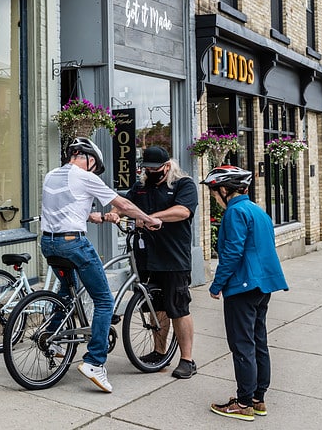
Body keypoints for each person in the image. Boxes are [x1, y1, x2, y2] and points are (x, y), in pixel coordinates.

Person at [40, 136, 164, 394]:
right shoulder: (84, 176)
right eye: (95, 167)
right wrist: (148, 219)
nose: (94, 171)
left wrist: (92, 216)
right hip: (74, 244)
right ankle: (95, 362)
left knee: (66, 292)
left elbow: (62, 208)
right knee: (105, 300)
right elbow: (124, 204)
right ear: (90, 159)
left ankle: (51, 339)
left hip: (49, 244)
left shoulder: (52, 174)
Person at [202, 165, 289, 422]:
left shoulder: (235, 212)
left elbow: (232, 252)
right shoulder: (258, 211)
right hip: (263, 286)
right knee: (257, 341)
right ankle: (257, 398)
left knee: (241, 344)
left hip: (243, 286)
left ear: (226, 190)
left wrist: (217, 284)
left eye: (214, 192)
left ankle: (242, 403)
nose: (214, 197)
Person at [111, 145, 199, 379]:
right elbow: (123, 204)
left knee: (178, 308)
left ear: (167, 166)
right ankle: (159, 353)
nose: (150, 172)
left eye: (155, 168)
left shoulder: (183, 184)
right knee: (155, 307)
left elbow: (183, 211)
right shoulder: (141, 186)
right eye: (146, 168)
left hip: (173, 257)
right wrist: (114, 213)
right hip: (146, 257)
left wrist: (150, 218)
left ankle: (187, 360)